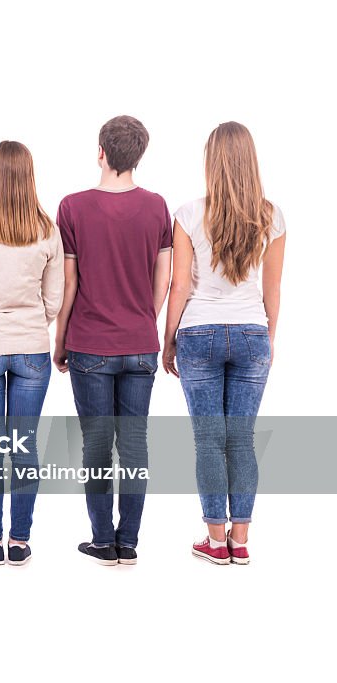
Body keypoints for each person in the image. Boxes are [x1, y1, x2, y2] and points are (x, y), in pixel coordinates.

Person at [163, 122, 286, 566]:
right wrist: (267, 341)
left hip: (198, 332)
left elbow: (179, 287)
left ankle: (215, 541)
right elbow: (272, 290)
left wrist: (167, 340)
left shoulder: (189, 213)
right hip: (252, 332)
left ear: (211, 162)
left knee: (209, 441)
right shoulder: (272, 217)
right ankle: (242, 539)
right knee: (243, 440)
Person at [53, 115, 172, 566]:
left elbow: (69, 283)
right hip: (141, 342)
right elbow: (164, 274)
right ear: (138, 155)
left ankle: (103, 541)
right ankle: (130, 542)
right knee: (135, 444)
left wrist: (60, 340)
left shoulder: (73, 207)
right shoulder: (157, 207)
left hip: (90, 344)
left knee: (98, 446)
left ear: (100, 151)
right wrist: (145, 316)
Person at [0, 141, 63, 567]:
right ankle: (19, 541)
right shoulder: (47, 230)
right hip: (32, 349)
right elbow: (54, 299)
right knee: (24, 447)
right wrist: (34, 323)